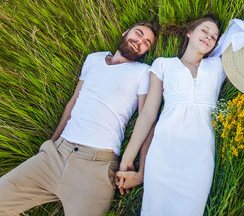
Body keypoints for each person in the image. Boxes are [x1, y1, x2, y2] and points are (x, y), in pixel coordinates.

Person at [0, 20, 158, 216]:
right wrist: (52, 142)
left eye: (147, 43)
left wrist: (141, 172)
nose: (140, 42)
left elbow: (147, 122)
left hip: (96, 168)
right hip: (54, 156)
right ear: (126, 32)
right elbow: (73, 103)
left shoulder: (142, 72)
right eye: (139, 34)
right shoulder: (94, 59)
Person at [116, 14, 226, 215]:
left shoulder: (218, 66)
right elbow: (148, 114)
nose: (209, 37)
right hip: (163, 154)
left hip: (199, 159)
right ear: (190, 32)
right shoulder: (163, 64)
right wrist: (127, 160)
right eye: (204, 31)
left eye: (214, 37)